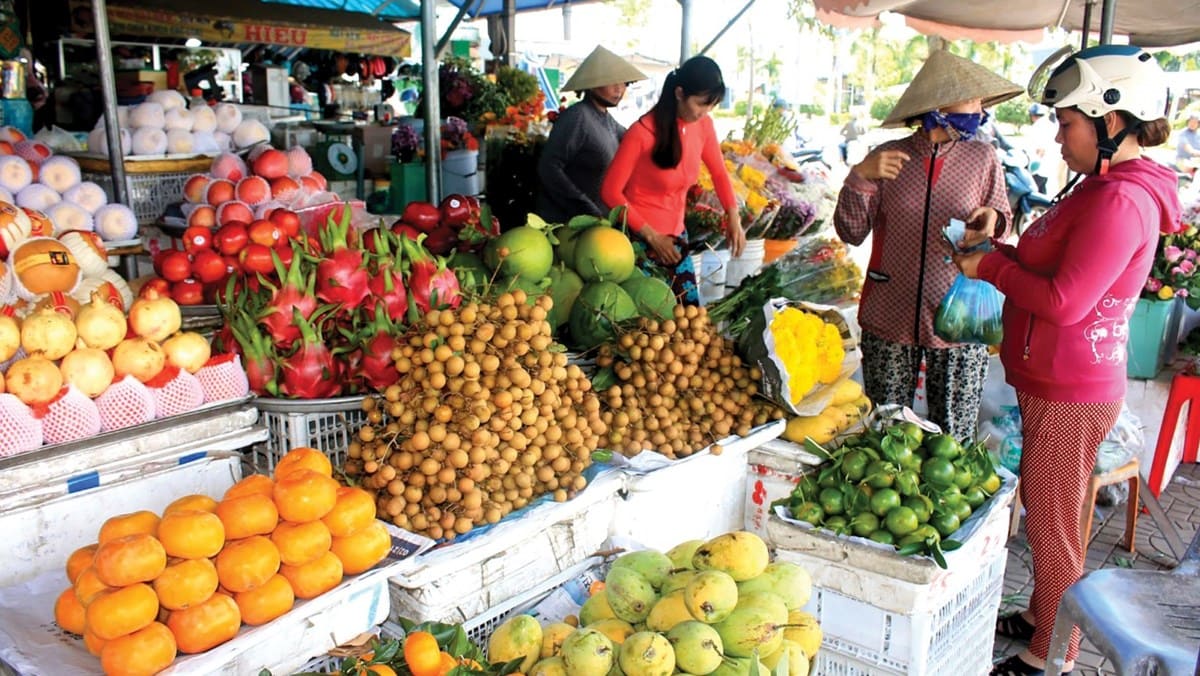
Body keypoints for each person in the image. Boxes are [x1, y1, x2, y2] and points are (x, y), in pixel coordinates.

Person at [953, 45, 1181, 676]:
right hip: (1055, 379)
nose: (1058, 138)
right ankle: (1043, 614)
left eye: (1067, 123)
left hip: (1069, 386)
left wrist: (989, 267)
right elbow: (1059, 268)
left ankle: (1051, 654)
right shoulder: (1104, 188)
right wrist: (997, 244)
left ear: (1112, 122)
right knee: (1050, 510)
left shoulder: (1118, 201)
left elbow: (1065, 301)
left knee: (1053, 526)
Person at [833, 48, 1018, 439]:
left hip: (961, 316)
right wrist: (859, 178)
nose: (979, 109)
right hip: (890, 312)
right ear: (938, 104)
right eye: (971, 99)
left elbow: (1003, 222)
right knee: (887, 429)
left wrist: (993, 220)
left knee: (954, 436)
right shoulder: (886, 157)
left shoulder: (984, 157)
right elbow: (851, 232)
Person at [600, 55, 745, 304]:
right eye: (701, 104)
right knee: (646, 328)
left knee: (688, 318)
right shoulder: (642, 132)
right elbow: (610, 192)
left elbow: (719, 173)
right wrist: (651, 236)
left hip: (677, 239)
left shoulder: (703, 126)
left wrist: (733, 215)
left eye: (711, 105)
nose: (705, 112)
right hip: (637, 244)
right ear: (679, 93)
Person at [536, 46, 647, 223]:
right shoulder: (577, 116)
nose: (619, 89)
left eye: (624, 83)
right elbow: (549, 167)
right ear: (593, 83)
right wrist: (583, 205)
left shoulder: (609, 121)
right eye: (613, 82)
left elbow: (637, 141)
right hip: (568, 224)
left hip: (597, 223)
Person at [1025, 103, 1061, 194]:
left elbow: (1040, 150)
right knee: (1042, 191)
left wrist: (1033, 167)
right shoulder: (1050, 125)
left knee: (1034, 192)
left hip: (1038, 167)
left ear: (1032, 116)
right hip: (1049, 166)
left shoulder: (1038, 126)